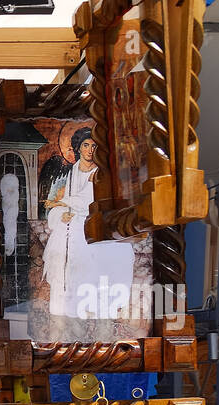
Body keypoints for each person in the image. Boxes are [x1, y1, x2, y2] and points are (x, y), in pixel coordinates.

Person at [39, 127, 135, 337]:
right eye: (86, 145)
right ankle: (74, 340)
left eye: (94, 146)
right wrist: (61, 214)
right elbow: (51, 209)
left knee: (99, 293)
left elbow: (92, 200)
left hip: (95, 239)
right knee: (72, 300)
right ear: (78, 148)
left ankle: (103, 339)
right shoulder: (66, 176)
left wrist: (64, 204)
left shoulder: (102, 176)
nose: (90, 150)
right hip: (70, 239)